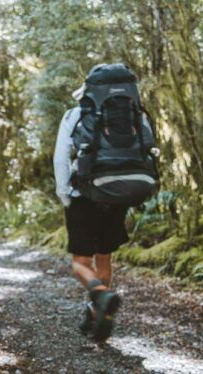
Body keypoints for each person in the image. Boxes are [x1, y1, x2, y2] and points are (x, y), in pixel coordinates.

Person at [53, 63, 158, 341]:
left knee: (79, 262)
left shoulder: (76, 114)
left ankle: (100, 296)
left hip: (84, 195)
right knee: (104, 256)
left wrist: (65, 194)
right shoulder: (138, 115)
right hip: (119, 193)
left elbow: (61, 157)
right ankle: (98, 314)